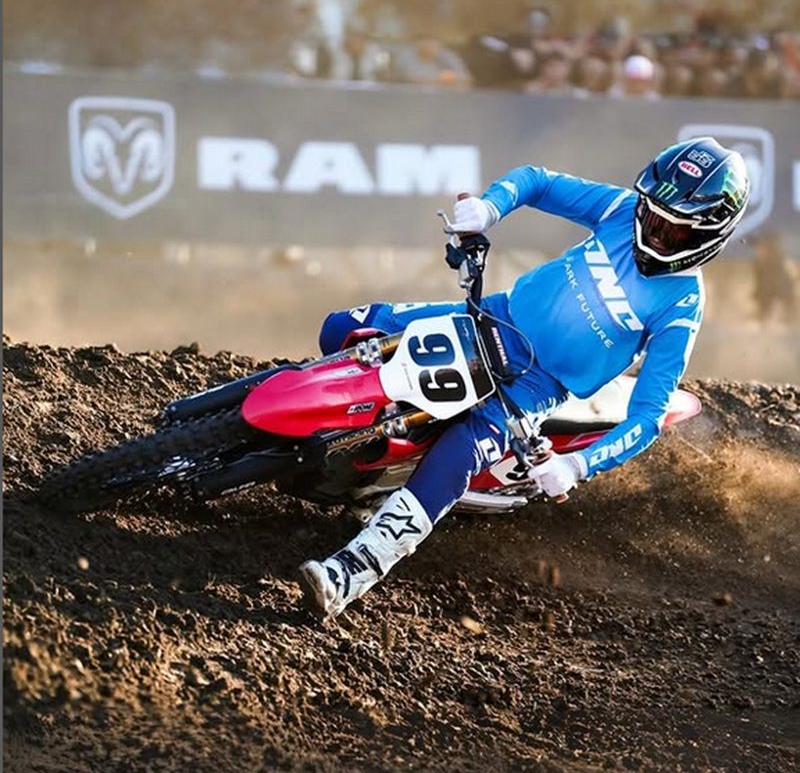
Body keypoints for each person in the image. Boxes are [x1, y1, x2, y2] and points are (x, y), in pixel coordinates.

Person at [299, 138, 751, 619]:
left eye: (673, 229)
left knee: (460, 451)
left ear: (709, 234)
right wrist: (489, 208)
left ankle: (353, 571)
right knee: (340, 328)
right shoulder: (622, 210)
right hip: (489, 317)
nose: (655, 231)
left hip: (534, 387)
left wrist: (577, 466)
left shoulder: (682, 304)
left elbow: (647, 417)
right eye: (653, 213)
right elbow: (538, 181)